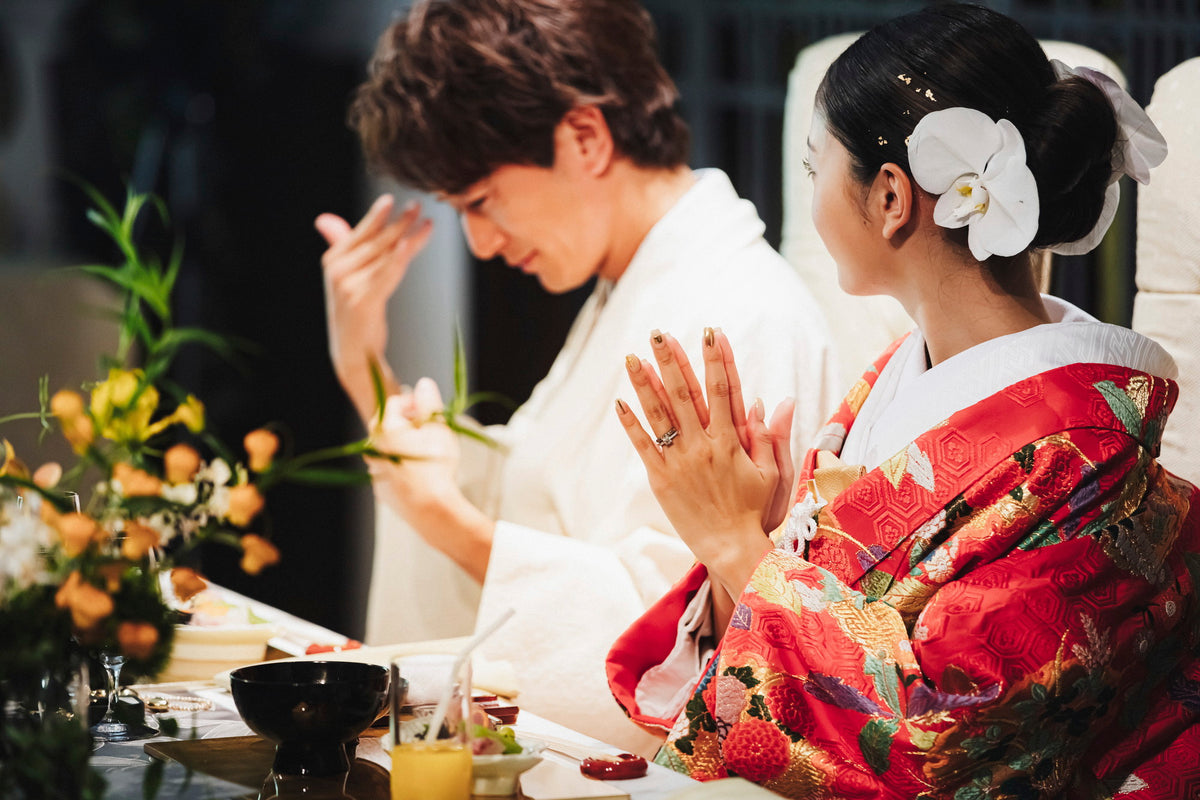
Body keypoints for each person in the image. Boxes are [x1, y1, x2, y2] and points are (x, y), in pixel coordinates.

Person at [608, 4, 1200, 796]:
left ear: (891, 198)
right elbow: (792, 619)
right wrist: (754, 545)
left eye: (817, 168)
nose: (812, 195)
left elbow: (939, 748)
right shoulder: (896, 378)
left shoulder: (1083, 453)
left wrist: (730, 545)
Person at [315, 0, 839, 752]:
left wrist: (449, 526)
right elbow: (527, 492)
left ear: (585, 137)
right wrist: (362, 366)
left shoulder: (734, 313)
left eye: (482, 202)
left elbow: (680, 634)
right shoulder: (640, 282)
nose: (483, 242)